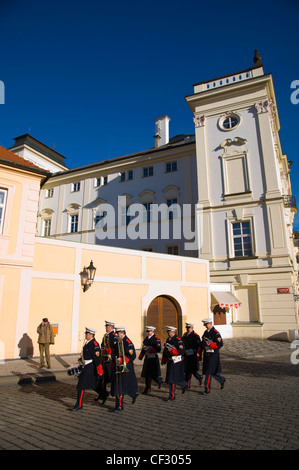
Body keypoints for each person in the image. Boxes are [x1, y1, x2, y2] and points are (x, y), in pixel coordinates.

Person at [70, 327, 103, 411]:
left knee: (81, 385)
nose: (85, 335)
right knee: (93, 384)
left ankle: (79, 404)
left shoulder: (94, 344)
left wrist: (100, 371)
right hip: (86, 366)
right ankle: (104, 394)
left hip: (90, 367)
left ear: (91, 335)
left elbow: (97, 359)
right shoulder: (87, 343)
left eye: (87, 334)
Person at [110, 327, 138, 412]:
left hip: (125, 367)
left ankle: (120, 405)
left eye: (117, 334)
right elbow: (114, 352)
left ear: (122, 333)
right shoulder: (118, 342)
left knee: (121, 386)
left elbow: (132, 356)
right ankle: (121, 403)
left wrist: (122, 360)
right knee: (119, 386)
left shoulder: (127, 342)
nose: (116, 335)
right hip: (118, 366)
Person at [197, 318, 226, 395]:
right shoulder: (206, 332)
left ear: (210, 323)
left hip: (213, 355)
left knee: (208, 372)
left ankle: (207, 388)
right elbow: (202, 343)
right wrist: (199, 351)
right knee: (212, 372)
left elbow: (220, 344)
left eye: (207, 325)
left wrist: (211, 345)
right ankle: (221, 380)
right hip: (207, 354)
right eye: (205, 325)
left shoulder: (216, 333)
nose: (206, 327)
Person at [161, 326, 187, 402]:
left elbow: (182, 351)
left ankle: (172, 395)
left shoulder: (178, 341)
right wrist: (164, 359)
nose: (168, 334)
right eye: (168, 332)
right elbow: (165, 351)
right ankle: (183, 385)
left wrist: (173, 351)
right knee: (172, 378)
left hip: (176, 362)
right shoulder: (168, 340)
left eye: (169, 332)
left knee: (172, 379)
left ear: (173, 332)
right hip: (170, 361)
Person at [96, 320, 117, 404]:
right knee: (103, 378)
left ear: (111, 327)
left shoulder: (114, 336)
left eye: (107, 326)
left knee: (110, 377)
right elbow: (102, 345)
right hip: (104, 359)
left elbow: (115, 347)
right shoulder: (105, 335)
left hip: (110, 359)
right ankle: (103, 394)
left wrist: (109, 351)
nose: (105, 327)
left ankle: (114, 393)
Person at [138, 326, 163, 394]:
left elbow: (158, 349)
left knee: (152, 374)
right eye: (147, 331)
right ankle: (147, 388)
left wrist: (151, 350)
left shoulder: (156, 339)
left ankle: (159, 380)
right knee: (147, 374)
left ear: (152, 331)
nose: (148, 333)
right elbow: (144, 347)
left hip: (153, 358)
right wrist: (141, 356)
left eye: (149, 331)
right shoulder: (146, 339)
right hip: (147, 358)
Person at [182, 322, 203, 389]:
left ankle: (199, 377)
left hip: (192, 355)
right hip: (186, 355)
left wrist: (196, 352)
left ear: (192, 328)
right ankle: (187, 384)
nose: (188, 329)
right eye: (187, 328)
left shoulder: (195, 336)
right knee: (187, 370)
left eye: (189, 328)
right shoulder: (185, 335)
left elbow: (198, 345)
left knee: (192, 370)